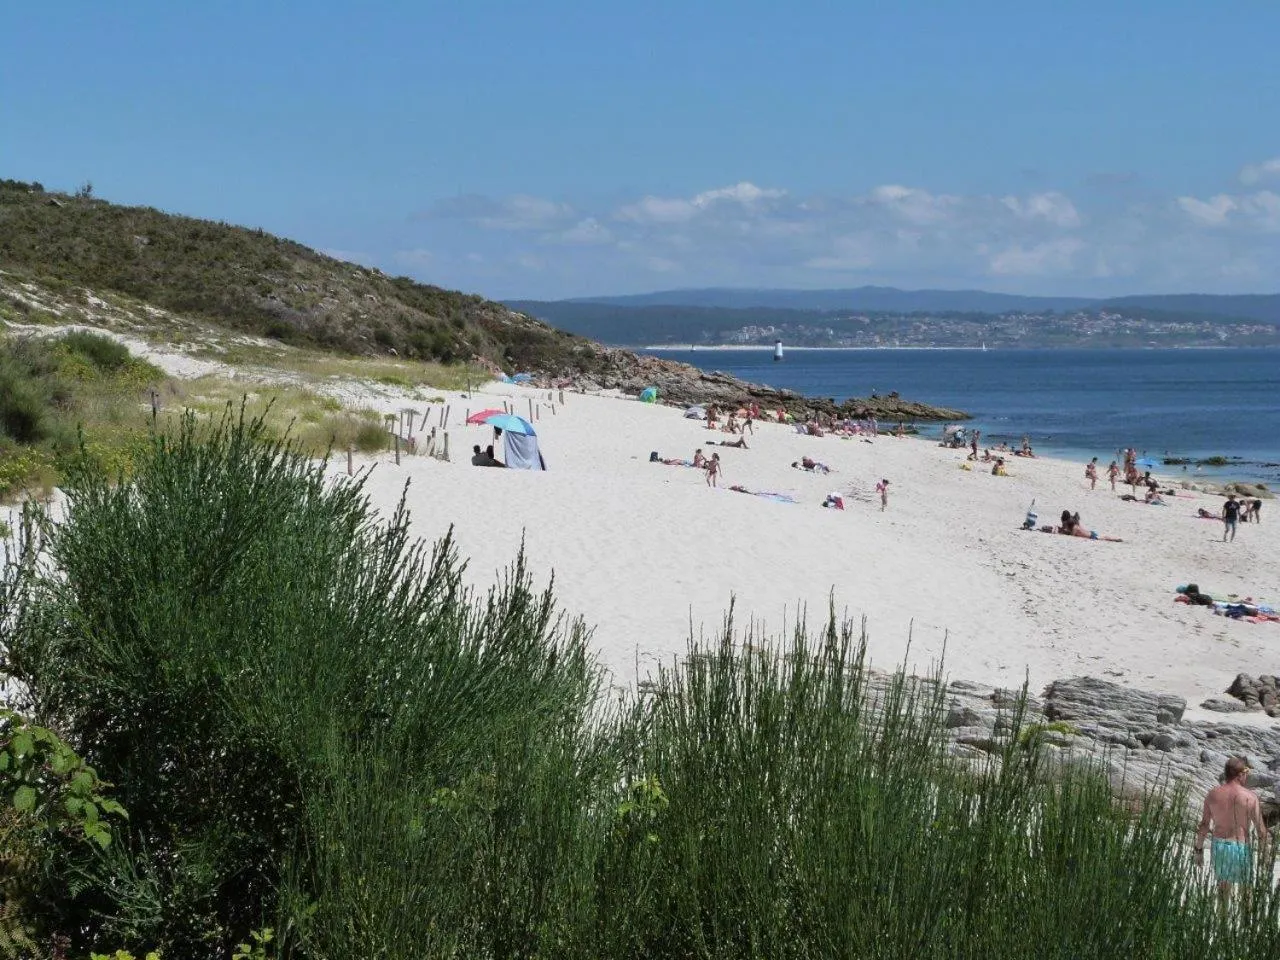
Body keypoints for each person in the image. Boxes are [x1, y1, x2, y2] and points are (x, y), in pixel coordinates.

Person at [1195, 756, 1269, 905]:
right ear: (1240, 774)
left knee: (1223, 891)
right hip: (1240, 847)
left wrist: (1198, 850)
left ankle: (1223, 925)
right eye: (1246, 772)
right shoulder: (1250, 797)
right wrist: (1264, 857)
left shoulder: (1212, 794)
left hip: (1220, 846)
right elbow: (1261, 831)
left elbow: (1204, 825)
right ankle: (1247, 925)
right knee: (1246, 892)